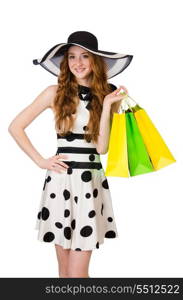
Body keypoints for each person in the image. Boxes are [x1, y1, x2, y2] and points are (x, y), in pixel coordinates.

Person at [8, 31, 133, 278]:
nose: (78, 63)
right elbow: (15, 126)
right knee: (65, 274)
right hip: (59, 182)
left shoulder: (108, 96)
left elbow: (102, 148)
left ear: (95, 60)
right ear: (66, 62)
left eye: (85, 56)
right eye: (72, 57)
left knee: (77, 275)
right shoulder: (53, 92)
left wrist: (107, 105)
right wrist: (40, 161)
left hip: (89, 182)